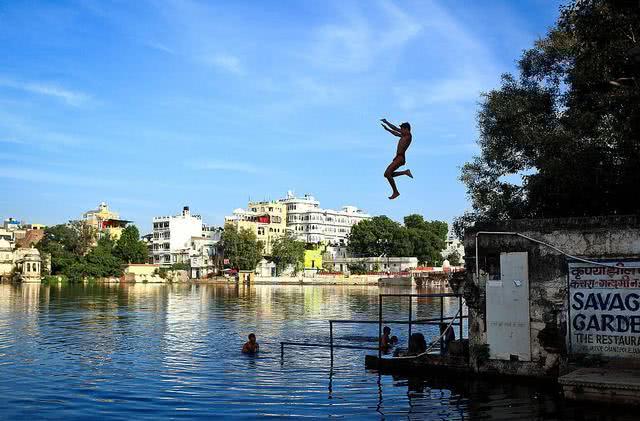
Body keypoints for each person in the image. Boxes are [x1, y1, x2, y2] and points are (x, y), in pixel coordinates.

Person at [380, 118, 413, 200]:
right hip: (398, 158)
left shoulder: (408, 135)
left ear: (406, 129)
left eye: (402, 128)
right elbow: (395, 133)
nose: (400, 130)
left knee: (388, 173)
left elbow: (395, 129)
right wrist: (387, 129)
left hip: (400, 157)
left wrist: (387, 122)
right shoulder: (404, 135)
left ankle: (396, 192)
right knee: (386, 174)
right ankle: (405, 172)